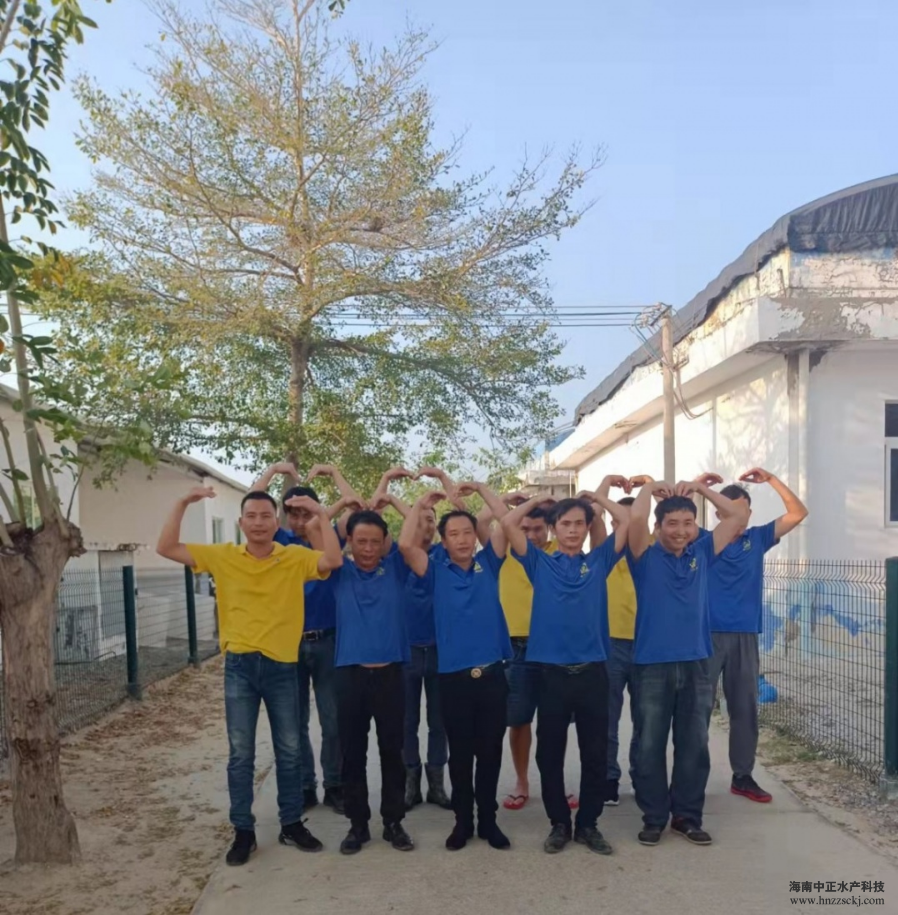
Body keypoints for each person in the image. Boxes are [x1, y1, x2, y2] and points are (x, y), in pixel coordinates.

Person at [156, 487, 344, 866]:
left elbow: (333, 560)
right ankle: (243, 830)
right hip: (240, 667)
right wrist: (181, 502)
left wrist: (320, 513)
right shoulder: (223, 556)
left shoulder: (294, 557)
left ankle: (291, 823)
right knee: (241, 754)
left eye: (265, 516)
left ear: (276, 523)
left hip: (282, 666)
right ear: (241, 523)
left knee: (289, 750)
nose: (259, 523)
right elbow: (167, 547)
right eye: (252, 516)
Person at [501, 478, 630, 855]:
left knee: (594, 753)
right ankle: (559, 822)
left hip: (593, 673)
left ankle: (588, 824)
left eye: (579, 524)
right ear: (554, 529)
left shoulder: (599, 561)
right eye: (565, 524)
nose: (573, 530)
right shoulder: (538, 562)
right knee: (549, 754)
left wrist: (600, 498)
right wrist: (537, 501)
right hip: (551, 675)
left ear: (588, 528)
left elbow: (629, 523)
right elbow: (508, 524)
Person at [627, 480, 750, 848]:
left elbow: (735, 516)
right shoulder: (644, 556)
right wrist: (650, 488)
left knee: (694, 744)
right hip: (652, 665)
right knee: (649, 745)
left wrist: (699, 488)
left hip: (697, 663)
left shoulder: (702, 552)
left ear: (696, 526)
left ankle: (687, 817)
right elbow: (636, 520)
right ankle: (654, 818)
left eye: (687, 523)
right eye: (672, 523)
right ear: (658, 527)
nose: (680, 531)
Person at [399, 483, 513, 852]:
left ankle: (489, 821)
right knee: (460, 756)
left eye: (467, 532)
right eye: (454, 534)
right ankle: (463, 822)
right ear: (443, 541)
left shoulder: (489, 564)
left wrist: (481, 489)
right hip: (453, 680)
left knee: (490, 754)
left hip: (492, 676)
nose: (462, 540)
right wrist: (419, 503)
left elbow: (506, 523)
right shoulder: (435, 571)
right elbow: (406, 546)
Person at [249, 461, 363, 815]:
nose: (299, 521)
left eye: (306, 513)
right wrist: (272, 472)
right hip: (288, 642)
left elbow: (356, 506)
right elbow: (252, 503)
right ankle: (304, 786)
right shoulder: (278, 541)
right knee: (294, 722)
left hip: (328, 640)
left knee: (333, 720)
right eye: (293, 514)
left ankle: (335, 786)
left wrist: (335, 473)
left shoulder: (328, 539)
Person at [698, 468, 808, 804]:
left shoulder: (757, 539)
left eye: (744, 510)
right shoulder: (704, 541)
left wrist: (772, 480)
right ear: (719, 514)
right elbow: (674, 521)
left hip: (745, 637)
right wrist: (696, 487)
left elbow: (797, 513)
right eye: (731, 511)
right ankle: (691, 778)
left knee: (744, 709)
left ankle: (742, 776)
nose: (739, 517)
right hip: (706, 637)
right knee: (697, 709)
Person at [476, 494, 584, 812]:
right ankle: (522, 782)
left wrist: (554, 505)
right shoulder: (503, 550)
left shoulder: (557, 553)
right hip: (516, 648)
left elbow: (576, 522)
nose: (532, 535)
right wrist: (506, 500)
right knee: (519, 720)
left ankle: (556, 784)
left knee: (555, 721)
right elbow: (481, 521)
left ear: (548, 528)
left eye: (538, 528)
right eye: (525, 528)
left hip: (552, 648)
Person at [332, 508, 416, 855]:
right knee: (352, 753)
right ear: (349, 541)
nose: (368, 549)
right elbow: (326, 536)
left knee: (392, 752)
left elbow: (409, 538)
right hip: (350, 675)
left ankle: (394, 822)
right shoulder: (338, 570)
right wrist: (337, 508)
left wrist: (400, 501)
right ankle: (358, 824)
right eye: (360, 541)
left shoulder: (395, 568)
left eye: (375, 542)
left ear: (385, 543)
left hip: (390, 675)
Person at [370, 466, 453, 812]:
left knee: (439, 723)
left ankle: (437, 785)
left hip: (440, 650)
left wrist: (442, 481)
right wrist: (389, 486)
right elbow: (372, 511)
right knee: (407, 722)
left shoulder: (446, 554)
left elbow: (462, 513)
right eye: (421, 519)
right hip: (405, 653)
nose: (426, 524)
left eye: (432, 520)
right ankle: (410, 784)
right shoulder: (398, 556)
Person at [603, 493, 641, 807]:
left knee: (646, 721)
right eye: (618, 520)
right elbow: (591, 511)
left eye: (631, 520)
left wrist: (652, 488)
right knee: (607, 719)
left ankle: (642, 777)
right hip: (610, 645)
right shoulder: (604, 552)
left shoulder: (653, 550)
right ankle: (608, 778)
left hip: (646, 646)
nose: (625, 526)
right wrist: (601, 490)